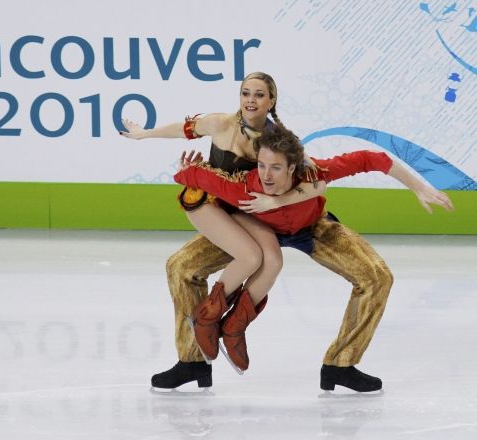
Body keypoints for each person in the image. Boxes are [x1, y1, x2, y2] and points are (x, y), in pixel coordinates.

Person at [174, 124, 454, 391]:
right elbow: (191, 178)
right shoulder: (241, 185)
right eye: (261, 165)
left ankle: (340, 365)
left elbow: (373, 158)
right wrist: (186, 169)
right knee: (181, 266)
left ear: (293, 168)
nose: (266, 176)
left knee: (378, 276)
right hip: (252, 232)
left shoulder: (313, 175)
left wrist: (418, 186)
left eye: (276, 168)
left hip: (311, 228)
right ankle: (193, 361)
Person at [121, 72, 324, 388]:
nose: (250, 100)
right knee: (249, 257)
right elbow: (182, 129)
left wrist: (282, 197)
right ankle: (206, 319)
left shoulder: (275, 141)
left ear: (271, 101)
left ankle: (233, 327)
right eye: (245, 93)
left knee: (273, 261)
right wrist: (145, 134)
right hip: (209, 202)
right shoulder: (219, 123)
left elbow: (314, 179)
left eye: (258, 95)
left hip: (243, 210)